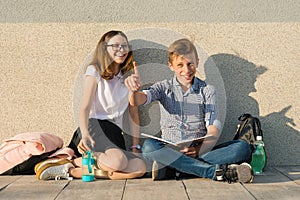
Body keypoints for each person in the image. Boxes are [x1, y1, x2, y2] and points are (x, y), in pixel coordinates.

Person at [124, 38, 253, 183]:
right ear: (171, 65)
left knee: (242, 148)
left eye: (190, 64)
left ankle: (173, 168)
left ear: (197, 62)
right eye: (180, 65)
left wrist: (199, 149)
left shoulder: (208, 91)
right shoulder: (163, 88)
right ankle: (213, 172)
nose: (186, 70)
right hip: (169, 149)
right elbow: (138, 100)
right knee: (149, 147)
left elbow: (213, 130)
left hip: (198, 152)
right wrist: (134, 91)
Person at [35, 30, 146, 180]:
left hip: (115, 133)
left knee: (139, 168)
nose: (122, 50)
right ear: (104, 48)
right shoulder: (95, 70)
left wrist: (135, 146)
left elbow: (133, 114)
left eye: (125, 46)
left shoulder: (128, 77)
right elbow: (84, 107)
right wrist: (85, 134)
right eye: (116, 46)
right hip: (95, 127)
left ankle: (71, 168)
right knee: (118, 162)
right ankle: (78, 159)